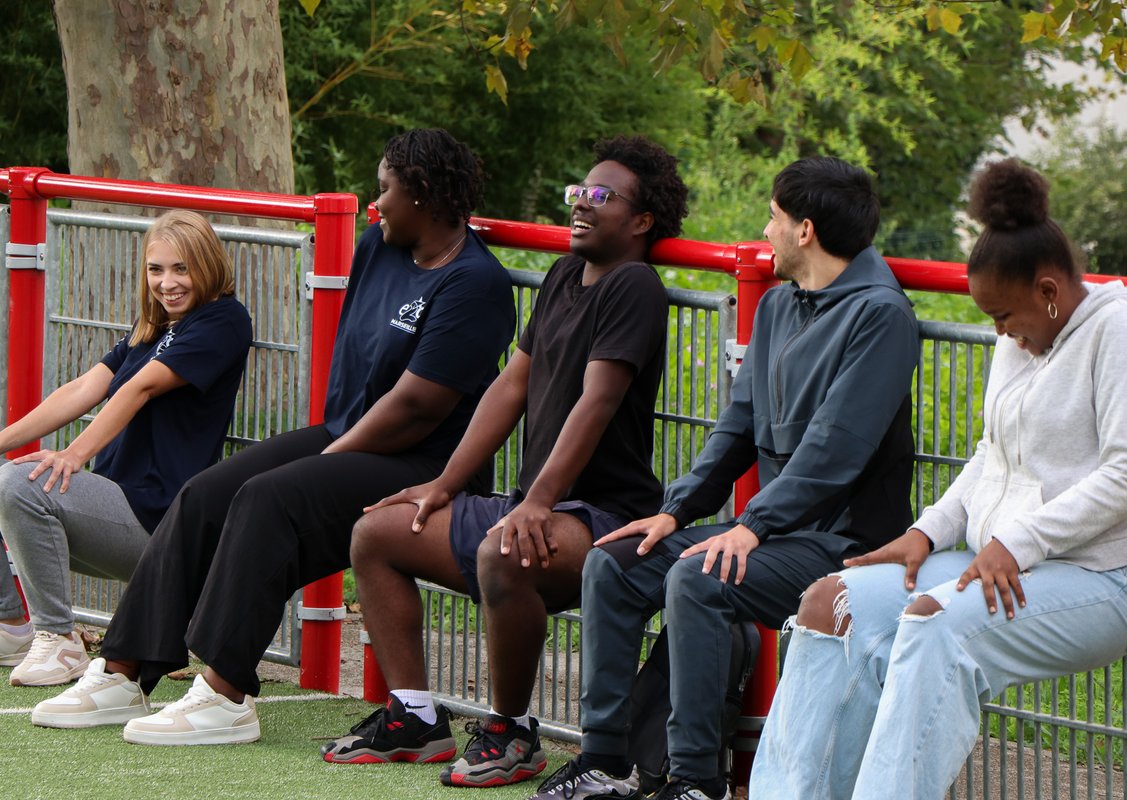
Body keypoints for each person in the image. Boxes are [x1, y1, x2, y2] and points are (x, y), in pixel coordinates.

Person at [31, 128, 517, 746]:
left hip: (424, 462)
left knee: (270, 497)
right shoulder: (380, 246)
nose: (375, 204)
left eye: (385, 190)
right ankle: (122, 671)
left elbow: (418, 407)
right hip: (351, 435)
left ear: (422, 194)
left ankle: (224, 694)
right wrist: (332, 446)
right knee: (205, 494)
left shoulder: (475, 283)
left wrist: (330, 456)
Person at [749, 159, 1127, 800]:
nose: (999, 332)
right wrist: (926, 532)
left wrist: (1016, 543)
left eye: (1003, 315)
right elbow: (990, 454)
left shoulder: (1121, 332)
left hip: (1100, 577)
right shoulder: (1021, 334)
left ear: (1049, 291)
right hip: (999, 560)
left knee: (932, 624)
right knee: (830, 602)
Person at [530, 157, 921, 800]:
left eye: (773, 217)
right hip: (776, 533)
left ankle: (696, 780)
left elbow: (835, 451)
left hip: (845, 544)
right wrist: (676, 511)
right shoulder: (778, 305)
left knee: (701, 578)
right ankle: (606, 762)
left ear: (805, 231)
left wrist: (753, 524)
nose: (765, 231)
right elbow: (737, 426)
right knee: (615, 563)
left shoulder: (882, 315)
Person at [320, 135, 689, 790]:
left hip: (604, 516)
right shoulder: (563, 275)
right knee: (376, 532)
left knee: (504, 551)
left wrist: (538, 502)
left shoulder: (634, 287)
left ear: (641, 220)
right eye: (579, 190)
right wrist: (443, 484)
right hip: (535, 503)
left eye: (601, 196)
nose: (581, 203)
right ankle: (414, 717)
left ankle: (511, 730)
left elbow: (597, 402)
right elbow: (510, 386)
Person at [0, 210, 251, 686]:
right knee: (4, 476)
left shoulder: (224, 320)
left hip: (156, 519)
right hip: (113, 503)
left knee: (17, 484)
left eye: (181, 268)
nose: (167, 283)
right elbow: (83, 389)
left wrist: (72, 454)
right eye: (156, 269)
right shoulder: (153, 327)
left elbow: (140, 388)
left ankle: (59, 639)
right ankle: (11, 625)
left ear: (208, 264)